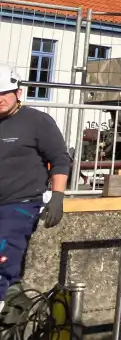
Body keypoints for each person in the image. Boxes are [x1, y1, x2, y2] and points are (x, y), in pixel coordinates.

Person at [0, 62, 69, 316]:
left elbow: (60, 159)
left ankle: (8, 303)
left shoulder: (37, 122)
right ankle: (13, 300)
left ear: (18, 93)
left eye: (4, 94)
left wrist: (57, 197)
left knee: (4, 251)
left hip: (20, 203)